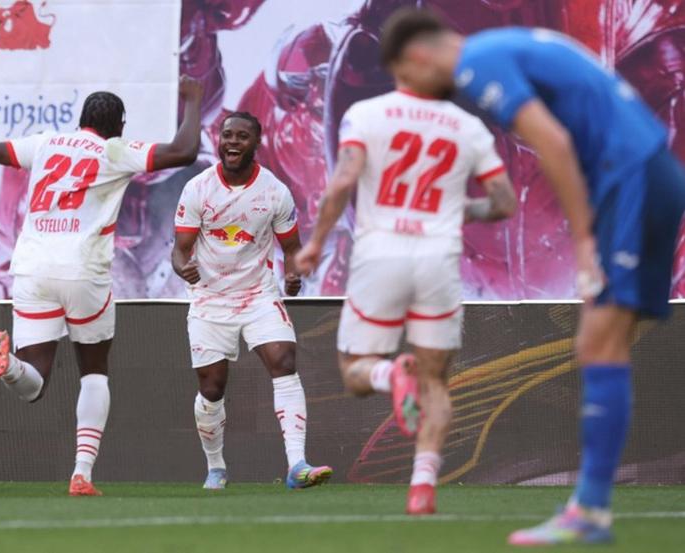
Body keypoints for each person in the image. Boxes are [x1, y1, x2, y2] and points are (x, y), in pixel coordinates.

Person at [372, 8, 685, 545]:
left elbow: (553, 142)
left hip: (629, 180)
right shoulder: (512, 44)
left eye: (407, 78)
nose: (416, 93)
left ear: (419, 55)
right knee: (608, 341)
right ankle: (591, 508)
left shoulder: (477, 62)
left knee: (599, 343)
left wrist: (583, 240)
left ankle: (590, 512)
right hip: (652, 173)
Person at [0, 76, 205, 496]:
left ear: (80, 119)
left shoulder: (45, 144)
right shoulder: (116, 151)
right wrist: (193, 100)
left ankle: (8, 365)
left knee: (33, 384)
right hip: (84, 272)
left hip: (32, 270)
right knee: (94, 374)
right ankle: (82, 473)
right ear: (119, 126)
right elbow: (184, 151)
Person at [295, 11, 516, 515]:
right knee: (436, 380)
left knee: (356, 371)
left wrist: (315, 244)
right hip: (437, 258)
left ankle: (390, 376)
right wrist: (461, 209)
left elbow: (343, 181)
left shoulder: (367, 114)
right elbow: (503, 202)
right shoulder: (468, 126)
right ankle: (422, 486)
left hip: (382, 254)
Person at [172, 111, 332, 490]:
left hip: (258, 294)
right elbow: (179, 250)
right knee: (212, 388)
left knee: (284, 361)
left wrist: (292, 274)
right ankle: (216, 468)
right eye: (227, 135)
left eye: (242, 136)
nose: (232, 142)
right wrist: (183, 268)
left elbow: (290, 248)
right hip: (210, 299)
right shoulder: (198, 188)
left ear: (256, 143)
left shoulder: (275, 191)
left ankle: (297, 465)